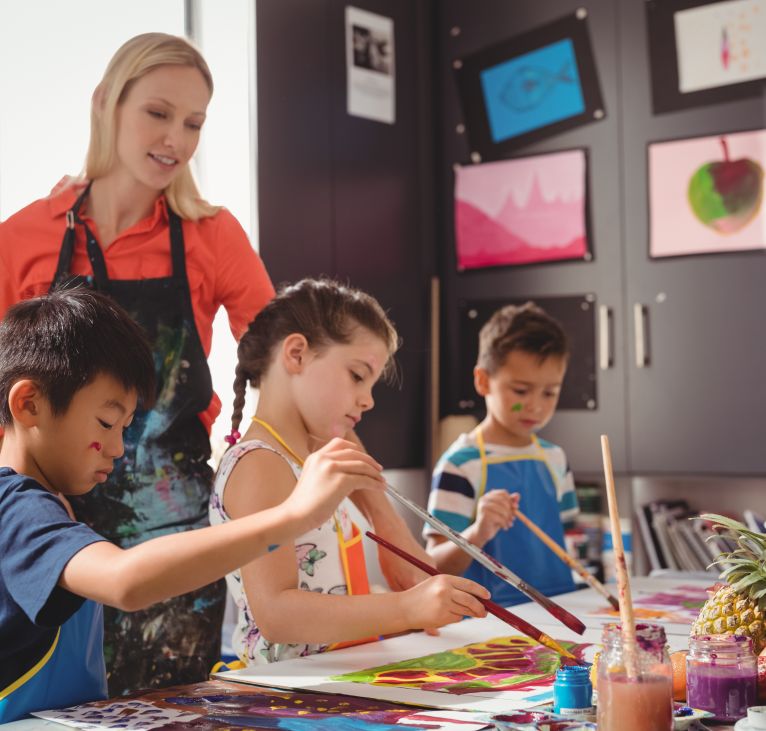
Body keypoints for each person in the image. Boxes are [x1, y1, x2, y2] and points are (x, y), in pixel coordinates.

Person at [0, 32, 422, 692]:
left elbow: (296, 367)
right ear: (106, 102)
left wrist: (365, 494)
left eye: (194, 122)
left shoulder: (212, 234)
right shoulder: (22, 237)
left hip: (183, 545)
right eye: (159, 113)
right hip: (60, 540)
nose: (177, 138)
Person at [0, 288, 387, 723]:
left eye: (124, 428)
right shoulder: (15, 509)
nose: (116, 448)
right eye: (106, 423)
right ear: (28, 404)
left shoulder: (52, 502)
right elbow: (124, 580)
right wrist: (292, 517)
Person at [209, 278, 489, 664]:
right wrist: (406, 608)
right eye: (358, 376)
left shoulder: (307, 455)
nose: (368, 400)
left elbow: (347, 444)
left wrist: (386, 521)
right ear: (297, 354)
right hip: (287, 694)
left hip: (328, 677)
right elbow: (276, 615)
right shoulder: (261, 464)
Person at [425, 303, 579, 607]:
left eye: (549, 392)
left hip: (561, 610)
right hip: (491, 624)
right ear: (483, 381)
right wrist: (478, 532)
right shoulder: (460, 465)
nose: (535, 406)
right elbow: (433, 567)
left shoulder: (555, 458)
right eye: (521, 391)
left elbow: (572, 541)